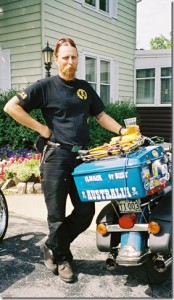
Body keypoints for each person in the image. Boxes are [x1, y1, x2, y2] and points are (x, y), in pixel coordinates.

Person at [4, 38, 129, 283]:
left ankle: (51, 245)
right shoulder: (45, 86)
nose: (70, 61)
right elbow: (11, 107)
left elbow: (101, 115)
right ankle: (62, 259)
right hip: (56, 157)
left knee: (85, 211)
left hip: (82, 158)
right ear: (57, 59)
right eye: (65, 57)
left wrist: (123, 132)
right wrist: (40, 128)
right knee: (57, 215)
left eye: (73, 57)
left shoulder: (84, 88)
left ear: (77, 59)